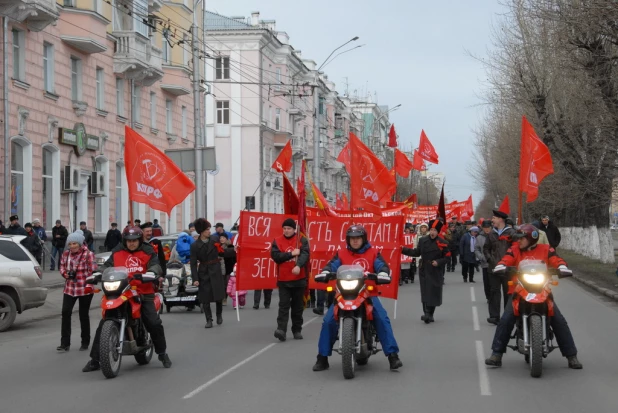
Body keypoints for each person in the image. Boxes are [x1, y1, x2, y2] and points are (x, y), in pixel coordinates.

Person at [484, 224, 582, 369]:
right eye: (518, 238)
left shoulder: (546, 249)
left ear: (531, 238)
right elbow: (507, 259)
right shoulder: (514, 249)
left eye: (522, 238)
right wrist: (501, 266)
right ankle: (496, 354)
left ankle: (571, 355)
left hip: (542, 290)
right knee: (506, 319)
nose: (519, 241)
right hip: (519, 290)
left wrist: (562, 267)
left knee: (558, 320)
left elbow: (556, 259)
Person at [312, 225, 403, 372]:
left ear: (363, 239)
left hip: (367, 293)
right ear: (348, 240)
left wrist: (383, 273)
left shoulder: (373, 252)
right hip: (344, 293)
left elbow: (382, 265)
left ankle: (393, 356)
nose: (355, 241)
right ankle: (322, 358)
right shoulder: (341, 253)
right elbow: (332, 265)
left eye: (358, 238)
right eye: (352, 238)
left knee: (381, 317)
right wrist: (326, 272)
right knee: (328, 320)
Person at [82, 226, 171, 372]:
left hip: (142, 292)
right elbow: (107, 266)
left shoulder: (147, 251)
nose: (131, 243)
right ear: (124, 240)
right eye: (129, 241)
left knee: (153, 322)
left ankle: (162, 353)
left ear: (139, 240)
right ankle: (95, 360)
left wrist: (151, 272)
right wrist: (98, 273)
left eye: (134, 240)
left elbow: (156, 265)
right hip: (121, 291)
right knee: (104, 322)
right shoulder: (117, 251)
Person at [402, 219, 450, 323]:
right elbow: (416, 252)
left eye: (434, 230)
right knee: (425, 291)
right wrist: (403, 249)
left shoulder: (443, 242)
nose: (432, 232)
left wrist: (438, 262)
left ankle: (430, 313)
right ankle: (426, 313)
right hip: (424, 269)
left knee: (433, 291)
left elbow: (447, 258)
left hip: (436, 270)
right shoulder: (423, 240)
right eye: (431, 230)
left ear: (438, 232)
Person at [271, 218, 310, 341]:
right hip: (284, 280)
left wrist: (298, 265)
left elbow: (305, 254)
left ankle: (297, 330)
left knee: (297, 307)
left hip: (299, 280)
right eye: (285, 228)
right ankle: (281, 330)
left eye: (289, 228)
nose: (286, 231)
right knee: (283, 306)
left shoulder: (301, 240)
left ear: (294, 229)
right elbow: (276, 256)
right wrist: (291, 254)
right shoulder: (277, 241)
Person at [57, 230, 96, 352]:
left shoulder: (88, 254)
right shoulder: (65, 254)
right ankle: (65, 343)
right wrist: (65, 274)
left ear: (80, 243)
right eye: (70, 244)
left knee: (83, 315)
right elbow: (62, 266)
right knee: (65, 312)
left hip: (84, 288)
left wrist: (88, 280)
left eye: (74, 243)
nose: (72, 246)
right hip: (69, 288)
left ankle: (85, 342)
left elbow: (93, 270)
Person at [191, 219, 226, 328]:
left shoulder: (215, 239)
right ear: (201, 231)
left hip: (215, 269)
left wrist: (233, 250)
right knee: (205, 297)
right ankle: (209, 319)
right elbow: (193, 263)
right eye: (207, 230)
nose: (209, 231)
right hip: (203, 271)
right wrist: (195, 278)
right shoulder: (195, 245)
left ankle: (219, 314)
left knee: (218, 295)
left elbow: (222, 253)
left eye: (209, 229)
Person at [483, 209, 516, 325]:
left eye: (494, 218)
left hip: (508, 269)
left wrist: (510, 261)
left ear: (500, 219)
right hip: (493, 268)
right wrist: (489, 259)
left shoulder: (511, 233)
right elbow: (486, 248)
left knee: (508, 293)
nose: (492, 220)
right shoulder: (492, 233)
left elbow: (516, 249)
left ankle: (507, 316)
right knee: (494, 292)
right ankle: (494, 316)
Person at [475, 220, 492, 301]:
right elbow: (476, 249)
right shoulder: (479, 237)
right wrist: (481, 256)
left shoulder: (495, 236)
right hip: (485, 263)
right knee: (487, 282)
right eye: (485, 228)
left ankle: (494, 297)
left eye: (488, 228)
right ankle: (488, 297)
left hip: (494, 262)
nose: (487, 229)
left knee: (494, 282)